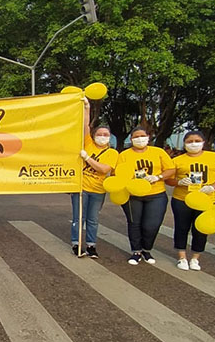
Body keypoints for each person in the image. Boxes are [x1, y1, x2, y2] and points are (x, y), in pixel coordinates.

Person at [165, 131, 215, 271]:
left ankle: (195, 258)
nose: (194, 143)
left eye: (197, 140)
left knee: (201, 229)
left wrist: (213, 187)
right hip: (183, 199)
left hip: (208, 200)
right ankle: (182, 257)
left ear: (203, 142)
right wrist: (179, 182)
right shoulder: (177, 160)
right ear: (184, 144)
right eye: (189, 141)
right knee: (181, 228)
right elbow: (169, 180)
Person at [116, 127, 176, 265]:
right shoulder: (124, 155)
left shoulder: (158, 152)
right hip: (132, 194)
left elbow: (171, 169)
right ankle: (136, 251)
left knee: (152, 225)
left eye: (142, 136)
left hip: (156, 194)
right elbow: (118, 173)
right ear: (131, 139)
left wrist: (158, 177)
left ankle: (146, 249)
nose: (139, 139)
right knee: (134, 223)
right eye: (136, 137)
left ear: (148, 137)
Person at [72, 99, 118, 258]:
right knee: (78, 218)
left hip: (98, 190)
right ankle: (76, 243)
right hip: (81, 188)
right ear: (94, 135)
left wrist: (87, 159)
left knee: (93, 219)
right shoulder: (89, 143)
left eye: (106, 135)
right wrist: (87, 107)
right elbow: (85, 126)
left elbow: (104, 169)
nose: (103, 137)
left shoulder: (112, 153)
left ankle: (91, 245)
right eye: (100, 134)